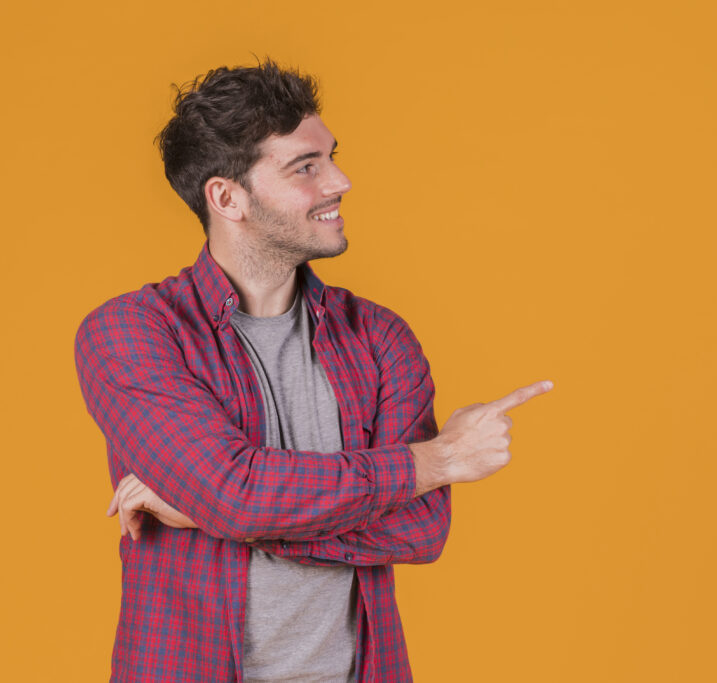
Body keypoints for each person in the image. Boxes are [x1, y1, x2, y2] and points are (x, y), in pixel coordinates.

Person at [74, 59, 552, 682]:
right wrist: (436, 462)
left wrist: (208, 515)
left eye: (331, 157)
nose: (340, 181)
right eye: (306, 167)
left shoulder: (379, 338)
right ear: (227, 197)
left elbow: (421, 531)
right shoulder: (132, 333)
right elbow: (236, 494)